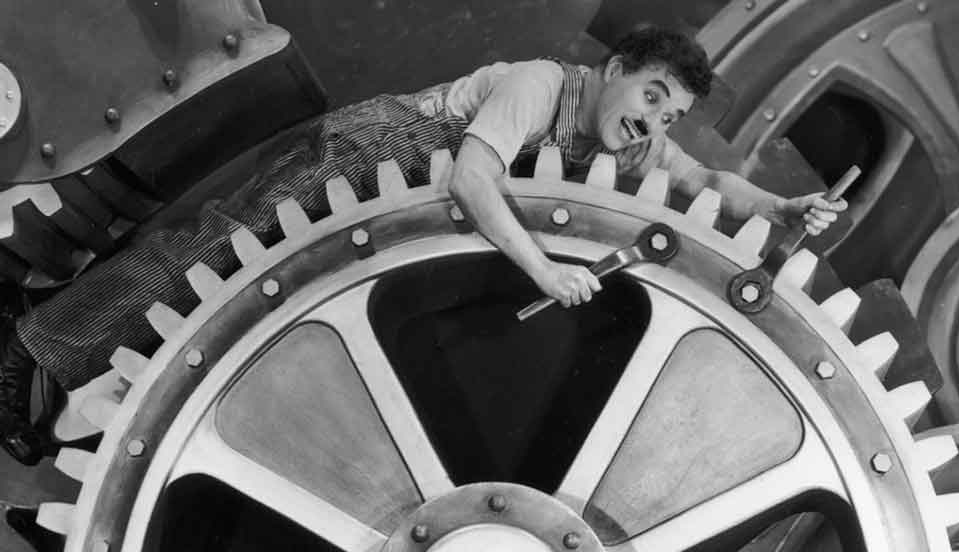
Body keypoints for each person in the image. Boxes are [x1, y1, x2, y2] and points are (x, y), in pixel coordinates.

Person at [0, 26, 846, 464]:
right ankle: (27, 355)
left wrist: (784, 204)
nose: (653, 122)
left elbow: (708, 186)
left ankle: (54, 399)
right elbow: (471, 181)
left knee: (218, 320)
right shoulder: (543, 84)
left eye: (669, 116)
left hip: (383, 203)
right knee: (202, 263)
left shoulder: (625, 138)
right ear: (617, 67)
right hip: (369, 155)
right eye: (651, 96)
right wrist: (544, 268)